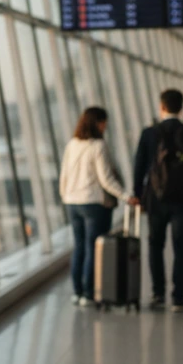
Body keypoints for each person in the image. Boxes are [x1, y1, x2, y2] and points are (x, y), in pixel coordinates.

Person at [132, 89, 183, 313]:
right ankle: (179, 298)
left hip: (156, 199)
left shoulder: (149, 133)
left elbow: (139, 167)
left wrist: (138, 194)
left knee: (155, 246)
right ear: (181, 108)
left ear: (161, 107)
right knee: (181, 248)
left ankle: (157, 294)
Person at [59, 107, 135, 307]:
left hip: (72, 203)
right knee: (94, 248)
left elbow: (64, 176)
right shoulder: (98, 146)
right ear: (97, 123)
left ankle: (77, 291)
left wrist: (65, 196)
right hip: (93, 203)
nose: (105, 127)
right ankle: (89, 293)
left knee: (79, 247)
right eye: (104, 123)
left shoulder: (72, 144)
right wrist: (127, 197)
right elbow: (106, 179)